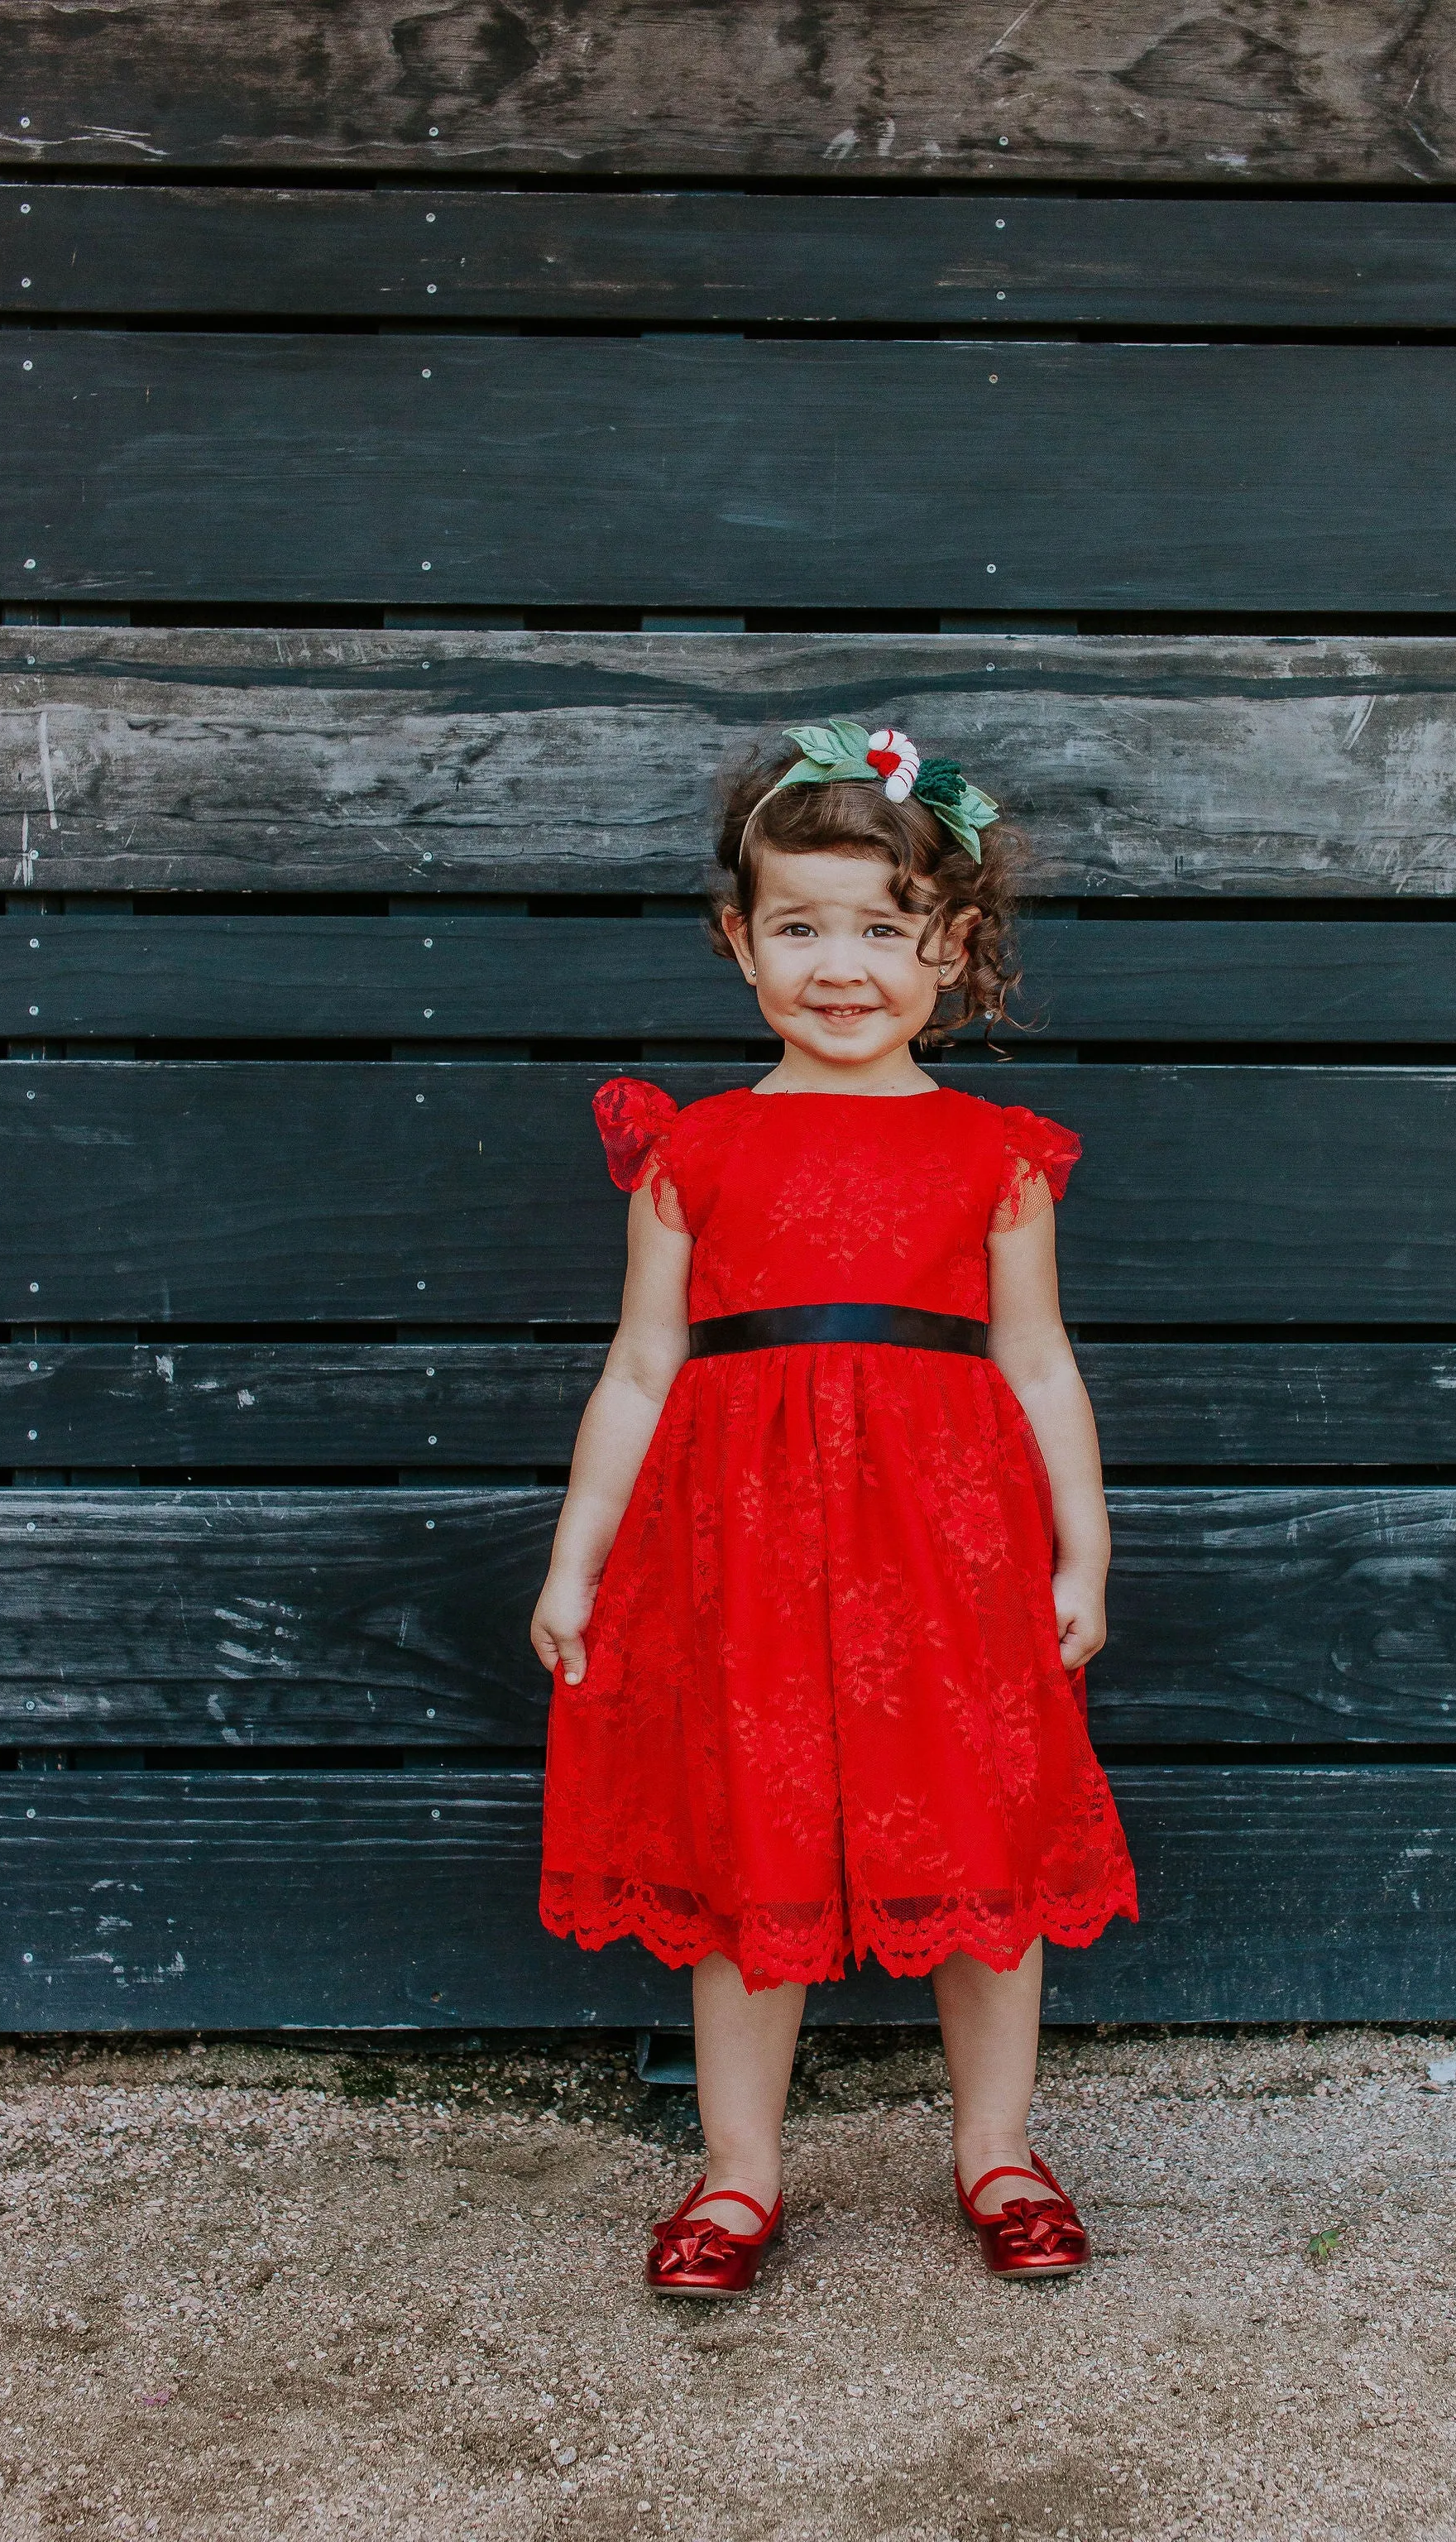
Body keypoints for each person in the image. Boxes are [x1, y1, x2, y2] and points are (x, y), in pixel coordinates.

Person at [531, 718, 1138, 2296]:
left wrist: (1084, 1542)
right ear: (742, 944)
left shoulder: (995, 1157)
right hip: (733, 1559)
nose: (843, 964)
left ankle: (998, 2154)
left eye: (885, 929)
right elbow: (640, 1371)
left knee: (984, 1851)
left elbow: (1042, 1366)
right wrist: (577, 1560)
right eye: (801, 927)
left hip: (949, 1557)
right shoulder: (695, 1148)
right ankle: (738, 2177)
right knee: (747, 1855)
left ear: (956, 946)